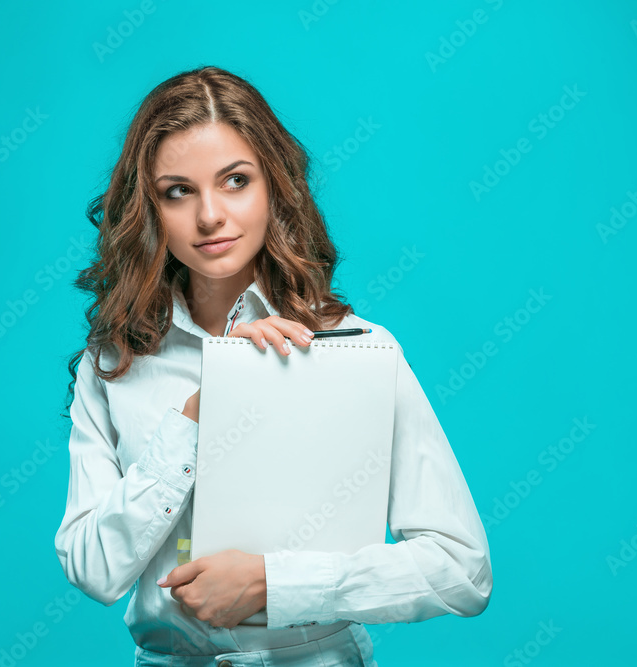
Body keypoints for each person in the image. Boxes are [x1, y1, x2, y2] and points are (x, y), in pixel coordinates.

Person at [54, 65, 492, 667]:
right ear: (147, 208)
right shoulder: (113, 363)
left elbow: (461, 570)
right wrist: (197, 414)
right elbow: (93, 569)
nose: (210, 215)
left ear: (274, 187)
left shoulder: (357, 349)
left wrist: (275, 584)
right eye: (178, 190)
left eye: (235, 180)